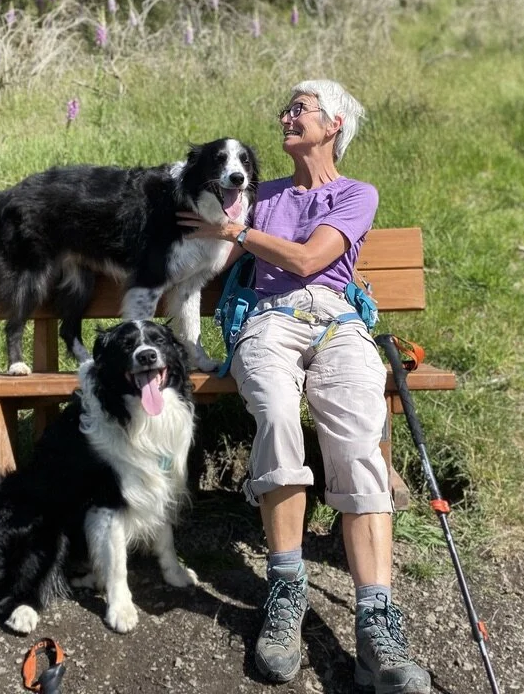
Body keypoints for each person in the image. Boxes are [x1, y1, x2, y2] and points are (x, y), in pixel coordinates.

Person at [178, 80, 431, 693]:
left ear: (334, 124)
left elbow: (308, 259)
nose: (286, 116)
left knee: (356, 443)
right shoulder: (256, 194)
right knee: (277, 420)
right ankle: (286, 593)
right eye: (286, 108)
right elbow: (182, 201)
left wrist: (235, 235)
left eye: (300, 108)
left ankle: (377, 623)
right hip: (268, 322)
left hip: (338, 322)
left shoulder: (356, 194)